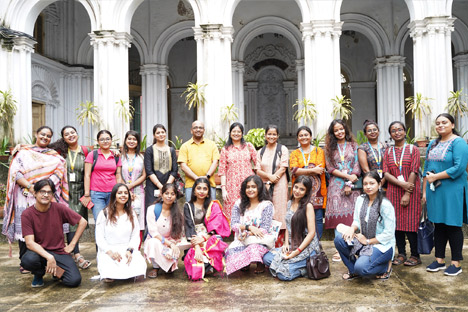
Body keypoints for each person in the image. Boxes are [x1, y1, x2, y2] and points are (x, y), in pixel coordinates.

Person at [2, 126, 68, 273]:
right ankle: (25, 261)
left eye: (48, 136)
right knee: (24, 228)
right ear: (36, 134)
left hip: (44, 196)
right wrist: (31, 187)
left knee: (42, 228)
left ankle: (42, 260)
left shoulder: (55, 157)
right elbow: (15, 173)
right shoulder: (23, 153)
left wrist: (42, 189)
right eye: (42, 134)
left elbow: (58, 174)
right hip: (24, 195)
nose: (45, 137)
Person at [423, 113, 468, 276]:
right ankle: (439, 260)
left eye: (444, 122)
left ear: (452, 124)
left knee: (453, 225)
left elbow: (459, 167)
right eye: (438, 123)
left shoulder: (459, 143)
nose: (440, 125)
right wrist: (424, 193)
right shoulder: (433, 144)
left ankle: (455, 263)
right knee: (438, 225)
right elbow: (425, 168)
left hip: (453, 190)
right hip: (435, 191)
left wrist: (436, 176)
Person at [20, 180, 87, 287]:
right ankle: (39, 273)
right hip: (39, 252)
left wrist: (72, 245)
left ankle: (56, 272)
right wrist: (49, 257)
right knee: (28, 260)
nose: (46, 195)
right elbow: (29, 243)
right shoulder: (27, 214)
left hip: (59, 251)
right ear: (35, 193)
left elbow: (83, 222)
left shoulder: (59, 208)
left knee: (74, 281)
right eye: (42, 192)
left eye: (49, 192)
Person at [334, 170, 396, 280]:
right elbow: (357, 220)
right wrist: (352, 229)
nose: (368, 187)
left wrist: (368, 241)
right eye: (365, 184)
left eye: (372, 183)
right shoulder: (360, 199)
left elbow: (389, 234)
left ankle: (385, 267)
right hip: (363, 240)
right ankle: (354, 270)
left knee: (362, 268)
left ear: (379, 184)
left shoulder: (385, 205)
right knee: (339, 239)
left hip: (382, 246)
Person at [49, 125, 92, 269]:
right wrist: (21, 146)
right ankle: (71, 253)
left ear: (77, 134)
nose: (71, 135)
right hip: (63, 192)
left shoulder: (86, 151)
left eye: (72, 132)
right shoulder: (59, 152)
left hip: (80, 192)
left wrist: (116, 153)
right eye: (67, 134)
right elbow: (39, 146)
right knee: (62, 223)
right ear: (64, 138)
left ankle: (75, 252)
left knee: (75, 223)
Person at [263, 176, 320, 281]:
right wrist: (285, 243)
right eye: (296, 187)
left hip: (306, 248)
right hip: (291, 245)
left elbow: (311, 233)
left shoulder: (308, 206)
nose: (297, 191)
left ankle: (303, 269)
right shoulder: (289, 203)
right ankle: (288, 264)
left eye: (302, 189)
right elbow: (288, 225)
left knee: (283, 275)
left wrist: (297, 251)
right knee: (266, 258)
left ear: (306, 192)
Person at [383, 121, 421, 267]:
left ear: (405, 132)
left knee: (410, 223)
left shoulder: (413, 149)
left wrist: (407, 192)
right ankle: (401, 254)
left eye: (399, 129)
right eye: (393, 130)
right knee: (396, 223)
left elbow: (414, 170)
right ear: (390, 134)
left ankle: (415, 255)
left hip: (410, 191)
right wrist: (401, 184)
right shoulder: (387, 151)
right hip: (393, 191)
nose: (397, 132)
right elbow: (386, 172)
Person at [324, 119, 361, 262]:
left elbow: (357, 164)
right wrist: (347, 177)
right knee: (338, 217)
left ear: (345, 129)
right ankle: (340, 249)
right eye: (336, 130)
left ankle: (354, 246)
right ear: (332, 133)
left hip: (353, 185)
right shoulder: (329, 148)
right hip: (336, 186)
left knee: (353, 217)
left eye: (341, 129)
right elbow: (330, 168)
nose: (339, 132)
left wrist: (351, 180)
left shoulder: (354, 145)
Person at [95, 183, 147, 282]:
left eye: (125, 193)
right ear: (114, 195)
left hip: (126, 249)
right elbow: (100, 238)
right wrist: (111, 253)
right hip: (109, 251)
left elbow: (135, 235)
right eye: (120, 193)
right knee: (108, 268)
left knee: (139, 265)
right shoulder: (104, 213)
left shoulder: (131, 214)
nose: (123, 195)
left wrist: (129, 250)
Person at [225, 175, 274, 275]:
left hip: (260, 239)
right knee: (229, 252)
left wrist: (248, 234)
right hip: (241, 239)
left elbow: (264, 229)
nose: (250, 190)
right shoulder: (238, 203)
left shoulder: (266, 205)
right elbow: (233, 225)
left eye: (253, 187)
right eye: (248, 187)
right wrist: (249, 228)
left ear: (259, 188)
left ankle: (259, 262)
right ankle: (245, 263)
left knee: (253, 248)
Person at [183, 177, 231, 280]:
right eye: (199, 188)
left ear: (209, 192)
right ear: (194, 191)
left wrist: (204, 238)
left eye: (205, 189)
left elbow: (215, 225)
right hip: (193, 237)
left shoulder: (213, 205)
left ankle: (209, 264)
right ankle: (206, 264)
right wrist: (196, 248)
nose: (201, 191)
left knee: (217, 240)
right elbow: (189, 227)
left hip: (208, 236)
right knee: (194, 260)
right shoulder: (188, 206)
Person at [289, 125, 327, 239]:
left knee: (318, 218)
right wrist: (312, 170)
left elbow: (320, 169)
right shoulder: (294, 153)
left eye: (306, 135)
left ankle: (317, 244)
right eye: (301, 135)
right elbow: (294, 170)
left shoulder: (318, 151)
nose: (304, 137)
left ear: (311, 137)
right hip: (300, 190)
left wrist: (303, 170)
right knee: (300, 217)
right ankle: (303, 243)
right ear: (297, 138)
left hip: (318, 191)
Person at [219, 122, 258, 221]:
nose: (236, 133)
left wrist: (256, 180)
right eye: (234, 131)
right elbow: (222, 171)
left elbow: (258, 163)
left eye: (238, 131)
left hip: (248, 185)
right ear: (230, 133)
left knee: (249, 208)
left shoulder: (248, 146)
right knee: (233, 211)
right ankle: (234, 234)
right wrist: (224, 189)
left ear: (242, 133)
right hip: (232, 186)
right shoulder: (225, 149)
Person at [144, 183, 184, 278]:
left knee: (172, 256)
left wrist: (171, 246)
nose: (169, 196)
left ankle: (169, 263)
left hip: (170, 242)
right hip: (156, 240)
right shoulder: (152, 209)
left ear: (175, 196)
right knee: (153, 242)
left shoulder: (178, 213)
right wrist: (169, 244)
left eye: (172, 194)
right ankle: (155, 267)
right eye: (166, 193)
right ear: (161, 194)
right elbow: (153, 233)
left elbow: (177, 235)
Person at [82, 130, 123, 222]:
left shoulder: (116, 156)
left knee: (113, 220)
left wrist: (119, 191)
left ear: (111, 140)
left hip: (113, 193)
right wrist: (87, 194)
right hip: (96, 194)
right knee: (100, 221)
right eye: (102, 139)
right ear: (98, 141)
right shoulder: (92, 155)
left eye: (108, 139)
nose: (105, 141)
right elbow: (87, 175)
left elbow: (118, 174)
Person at [256, 125, 289, 233]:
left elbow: (283, 167)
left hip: (280, 184)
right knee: (266, 209)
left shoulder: (282, 149)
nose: (271, 136)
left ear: (278, 136)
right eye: (269, 134)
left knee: (280, 209)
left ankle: (282, 238)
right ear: (265, 135)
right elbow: (258, 170)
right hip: (265, 184)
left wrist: (273, 178)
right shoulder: (261, 151)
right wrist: (269, 177)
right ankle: (267, 235)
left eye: (274, 134)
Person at [178, 120, 220, 202]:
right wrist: (196, 178)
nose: (198, 129)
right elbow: (183, 166)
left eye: (200, 128)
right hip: (191, 185)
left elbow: (215, 162)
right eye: (195, 127)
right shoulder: (185, 146)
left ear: (204, 130)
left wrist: (206, 177)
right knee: (191, 212)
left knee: (211, 211)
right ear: (191, 130)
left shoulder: (212, 145)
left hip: (209, 185)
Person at [144, 124, 178, 208]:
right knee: (152, 210)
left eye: (162, 132)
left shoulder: (171, 150)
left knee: (170, 212)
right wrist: (161, 187)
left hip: (169, 187)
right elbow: (149, 171)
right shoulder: (149, 150)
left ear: (166, 134)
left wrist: (166, 188)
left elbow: (174, 170)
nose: (161, 134)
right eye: (158, 133)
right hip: (152, 187)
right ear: (154, 135)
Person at [121, 131, 146, 240]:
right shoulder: (120, 157)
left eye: (134, 139)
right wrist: (126, 189)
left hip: (138, 192)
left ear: (138, 142)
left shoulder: (141, 157)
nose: (131, 141)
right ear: (125, 141)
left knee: (138, 219)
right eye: (129, 139)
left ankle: (137, 247)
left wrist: (131, 186)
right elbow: (117, 174)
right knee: (124, 218)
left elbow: (144, 175)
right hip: (122, 192)